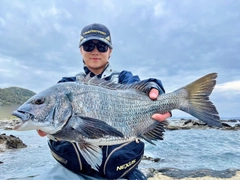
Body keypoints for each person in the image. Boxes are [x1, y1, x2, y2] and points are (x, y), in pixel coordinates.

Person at [35, 23, 171, 180]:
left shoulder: (125, 79)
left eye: (101, 46)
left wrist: (157, 91)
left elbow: (147, 87)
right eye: (88, 46)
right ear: (81, 50)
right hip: (75, 172)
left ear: (110, 51)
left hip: (124, 172)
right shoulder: (67, 85)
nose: (94, 51)